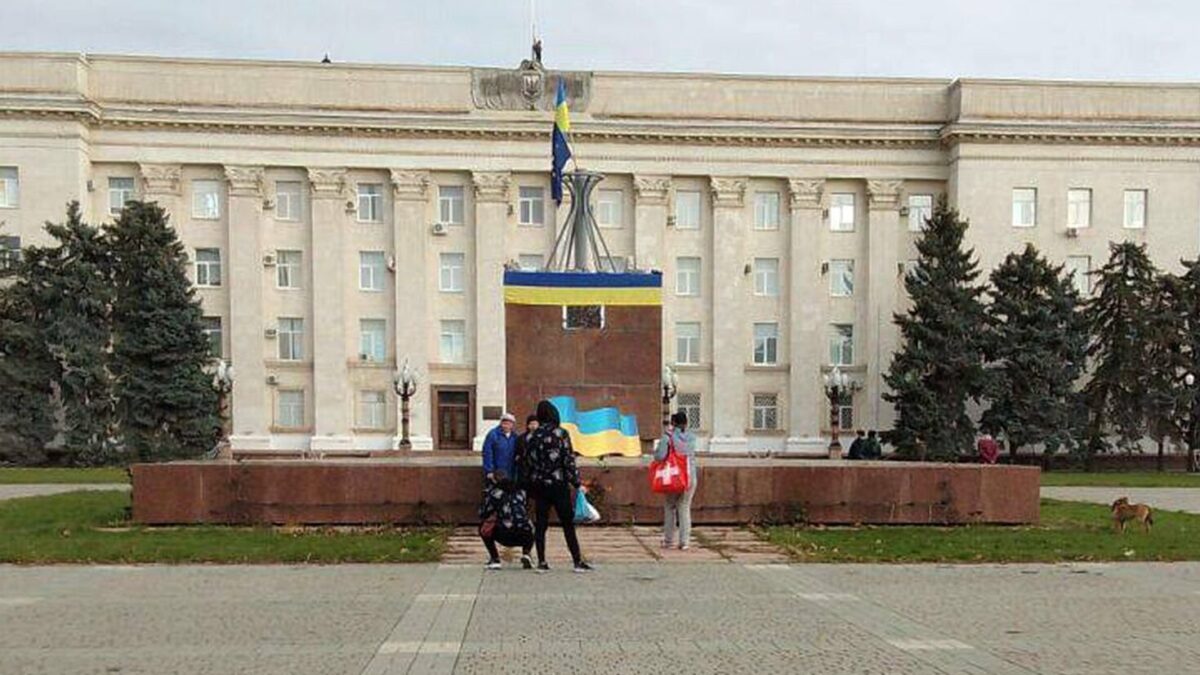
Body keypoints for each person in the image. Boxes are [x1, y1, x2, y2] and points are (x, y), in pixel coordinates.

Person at [524, 400, 592, 572]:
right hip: (559, 484)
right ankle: (577, 561)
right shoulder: (561, 433)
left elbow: (528, 461)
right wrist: (577, 483)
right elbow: (568, 460)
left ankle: (542, 562)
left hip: (540, 485)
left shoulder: (532, 436)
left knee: (541, 524)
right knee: (567, 523)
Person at [656, 411, 698, 550]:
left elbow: (660, 457)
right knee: (685, 508)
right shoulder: (692, 437)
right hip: (689, 477)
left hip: (673, 477)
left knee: (670, 507)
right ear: (686, 423)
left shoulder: (667, 437)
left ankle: (669, 541)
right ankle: (684, 542)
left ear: (673, 423)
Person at [478, 469, 534, 570]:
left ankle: (495, 559)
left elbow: (483, 512)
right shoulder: (521, 492)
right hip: (524, 534)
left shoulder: (494, 493)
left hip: (504, 533)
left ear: (494, 480)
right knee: (529, 524)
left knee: (483, 527)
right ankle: (526, 553)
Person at [482, 413, 517, 482]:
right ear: (501, 423)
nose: (506, 426)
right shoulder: (493, 435)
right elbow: (487, 453)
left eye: (509, 424)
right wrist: (489, 470)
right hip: (497, 471)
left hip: (511, 471)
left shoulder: (514, 436)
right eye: (504, 423)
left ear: (512, 425)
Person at [513, 414, 539, 487]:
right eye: (531, 424)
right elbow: (517, 451)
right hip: (523, 469)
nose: (533, 426)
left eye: (535, 423)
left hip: (536, 470)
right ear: (528, 425)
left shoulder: (542, 437)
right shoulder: (521, 438)